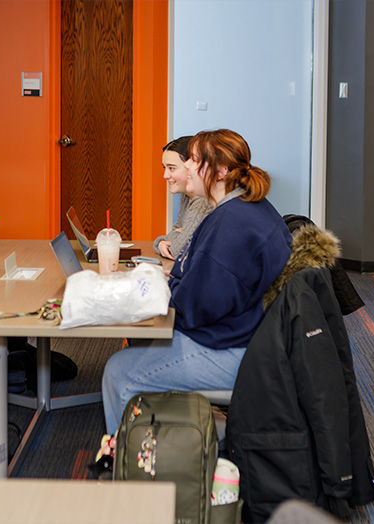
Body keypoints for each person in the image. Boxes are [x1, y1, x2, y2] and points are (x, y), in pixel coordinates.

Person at [102, 129, 292, 434]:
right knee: (142, 341)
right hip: (254, 336)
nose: (187, 166)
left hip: (239, 351)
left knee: (119, 371)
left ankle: (129, 469)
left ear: (220, 171)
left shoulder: (230, 224)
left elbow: (192, 309)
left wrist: (161, 293)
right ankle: (178, 432)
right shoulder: (244, 209)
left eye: (193, 159)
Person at [152, 136, 214, 260]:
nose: (165, 175)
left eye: (172, 168)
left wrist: (177, 236)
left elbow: (178, 250)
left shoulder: (203, 201)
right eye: (165, 168)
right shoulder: (186, 196)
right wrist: (160, 243)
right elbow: (176, 230)